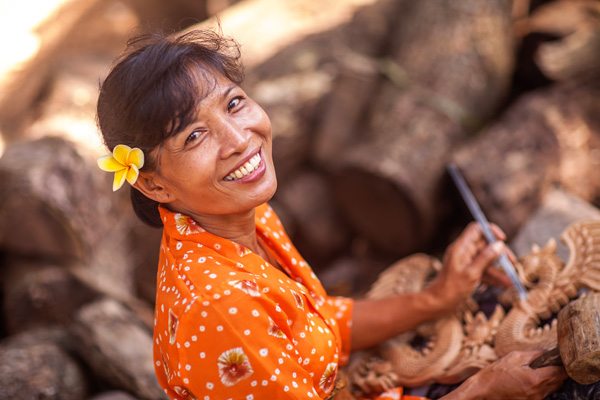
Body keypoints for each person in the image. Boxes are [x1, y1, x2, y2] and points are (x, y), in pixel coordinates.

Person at [95, 30, 566, 400]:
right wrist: (485, 391)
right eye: (194, 137)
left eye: (234, 104)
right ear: (152, 183)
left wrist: (438, 297)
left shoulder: (238, 216)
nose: (239, 139)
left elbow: (315, 323)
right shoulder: (220, 306)